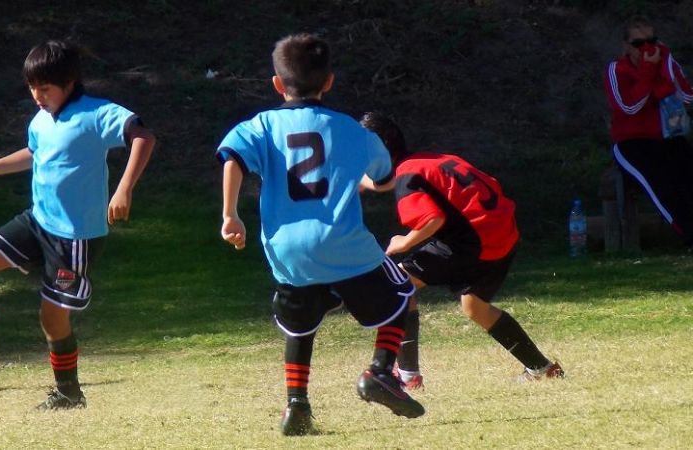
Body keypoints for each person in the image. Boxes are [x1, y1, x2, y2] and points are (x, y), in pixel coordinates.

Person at [216, 33, 425, 436]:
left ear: (277, 84)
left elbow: (233, 158)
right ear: (329, 81)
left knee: (300, 325)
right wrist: (365, 180)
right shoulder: (351, 130)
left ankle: (297, 406)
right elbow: (383, 177)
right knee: (401, 294)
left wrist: (230, 215)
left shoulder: (262, 125)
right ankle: (381, 371)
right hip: (345, 245)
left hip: (289, 251)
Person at [0, 40, 155, 410]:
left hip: (74, 238)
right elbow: (33, 153)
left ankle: (69, 393)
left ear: (70, 82)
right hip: (37, 221)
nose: (37, 96)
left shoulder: (96, 113)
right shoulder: (41, 120)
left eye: (45, 88)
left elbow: (143, 136)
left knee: (52, 317)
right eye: (32, 87)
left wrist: (123, 189)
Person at [359, 112, 564, 386]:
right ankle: (542, 367)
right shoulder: (427, 161)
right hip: (503, 233)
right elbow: (398, 180)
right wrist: (364, 182)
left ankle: (407, 376)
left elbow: (434, 219)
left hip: (473, 242)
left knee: (397, 285)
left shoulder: (408, 176)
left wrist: (404, 242)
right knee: (475, 307)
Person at [604, 15, 693, 243]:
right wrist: (647, 70)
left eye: (651, 41)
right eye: (638, 43)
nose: (646, 48)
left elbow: (688, 96)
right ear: (627, 46)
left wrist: (668, 65)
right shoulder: (617, 70)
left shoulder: (665, 64)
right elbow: (629, 106)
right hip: (631, 141)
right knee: (661, 184)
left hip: (667, 136)